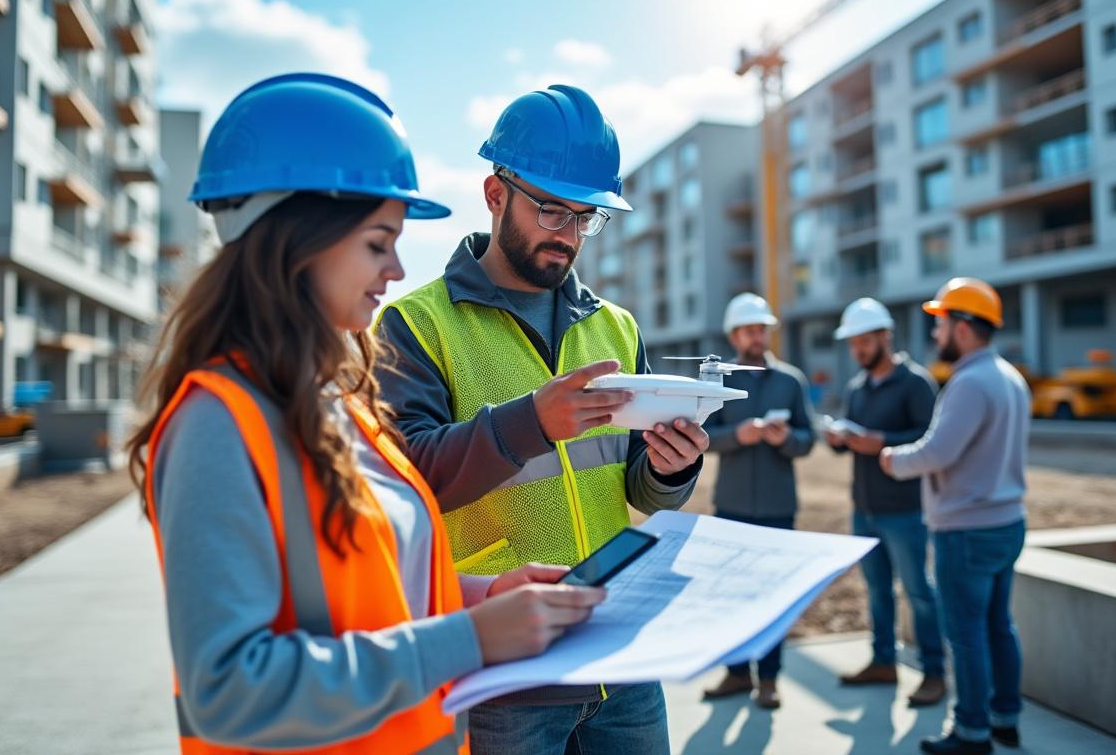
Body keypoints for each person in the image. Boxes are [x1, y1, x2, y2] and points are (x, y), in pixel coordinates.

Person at [128, 73, 605, 755]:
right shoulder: (217, 426)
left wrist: (484, 597)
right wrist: (470, 639)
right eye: (378, 243)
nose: (396, 270)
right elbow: (230, 692)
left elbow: (378, 590)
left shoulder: (345, 405)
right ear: (298, 243)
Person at [375, 84, 707, 754]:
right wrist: (529, 421)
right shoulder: (415, 325)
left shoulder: (615, 327)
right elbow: (409, 487)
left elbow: (635, 487)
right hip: (508, 664)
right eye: (552, 210)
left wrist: (675, 467)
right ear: (496, 195)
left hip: (620, 653)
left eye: (587, 217)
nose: (569, 235)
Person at [879, 278, 1031, 755]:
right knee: (998, 626)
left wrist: (892, 459)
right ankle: (1005, 719)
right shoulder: (1011, 377)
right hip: (1007, 522)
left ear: (963, 327)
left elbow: (938, 452)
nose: (936, 333)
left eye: (941, 323)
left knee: (965, 635)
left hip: (966, 529)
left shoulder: (969, 382)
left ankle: (971, 732)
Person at [826, 298, 946, 708]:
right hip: (866, 508)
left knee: (918, 592)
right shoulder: (857, 387)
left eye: (863, 341)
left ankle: (934, 672)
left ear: (885, 337)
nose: (857, 350)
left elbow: (930, 440)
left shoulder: (916, 384)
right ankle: (883, 662)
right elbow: (855, 443)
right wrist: (840, 441)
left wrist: (881, 441)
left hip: (907, 510)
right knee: (877, 592)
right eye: (852, 343)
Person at [700, 293, 816, 710]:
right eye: (749, 329)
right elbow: (702, 437)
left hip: (777, 507)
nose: (757, 335)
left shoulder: (792, 382)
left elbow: (809, 440)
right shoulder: (719, 380)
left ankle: (768, 680)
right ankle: (735, 673)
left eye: (762, 328)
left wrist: (787, 440)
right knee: (729, 594)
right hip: (731, 506)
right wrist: (738, 436)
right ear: (734, 334)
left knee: (773, 596)